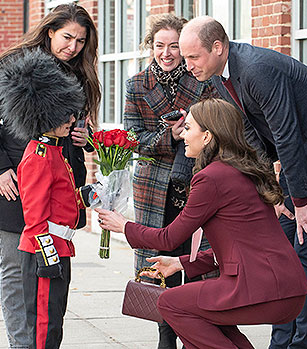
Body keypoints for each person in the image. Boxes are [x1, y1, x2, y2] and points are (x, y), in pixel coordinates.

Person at [178, 17, 307, 349]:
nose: (188, 65)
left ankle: (301, 345)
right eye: (186, 58)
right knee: (281, 248)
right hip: (301, 152)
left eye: (193, 57)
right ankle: (280, 343)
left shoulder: (256, 68)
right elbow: (251, 135)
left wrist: (301, 201)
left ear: (218, 47)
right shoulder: (221, 77)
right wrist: (272, 191)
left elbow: (286, 134)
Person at [96, 98, 307, 349]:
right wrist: (180, 262)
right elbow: (240, 245)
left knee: (171, 303)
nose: (183, 135)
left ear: (207, 136)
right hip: (284, 288)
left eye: (188, 128)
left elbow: (168, 238)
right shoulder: (241, 170)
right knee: (204, 316)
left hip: (264, 288)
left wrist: (123, 226)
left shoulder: (212, 178)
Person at [0, 4, 100, 348]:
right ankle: (21, 343)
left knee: (52, 272)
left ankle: (44, 340)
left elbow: (77, 132)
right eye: (67, 37)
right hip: (14, 182)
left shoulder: (78, 74)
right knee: (15, 268)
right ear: (49, 32)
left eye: (80, 40)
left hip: (57, 190)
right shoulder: (16, 66)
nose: (72, 46)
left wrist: (83, 137)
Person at [123, 13, 216, 348]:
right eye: (159, 45)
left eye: (174, 46)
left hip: (194, 182)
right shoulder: (136, 84)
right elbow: (132, 138)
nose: (167, 53)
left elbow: (215, 131)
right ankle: (165, 336)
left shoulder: (203, 81)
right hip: (153, 189)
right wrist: (169, 134)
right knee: (158, 264)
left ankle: (194, 331)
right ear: (151, 47)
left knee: (194, 263)